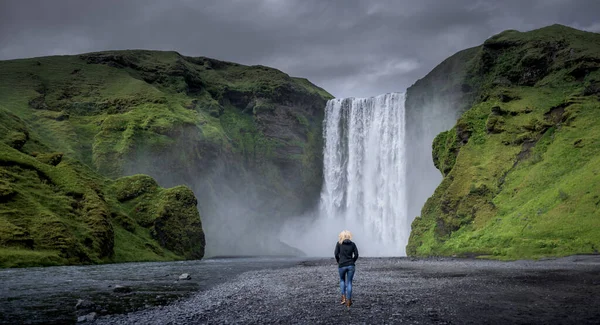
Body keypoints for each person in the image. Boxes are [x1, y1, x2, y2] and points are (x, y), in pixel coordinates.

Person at [334, 230, 359, 307]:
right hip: (351, 265)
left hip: (342, 265)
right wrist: (352, 261)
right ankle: (349, 301)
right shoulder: (353, 244)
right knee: (349, 283)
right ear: (349, 236)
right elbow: (356, 254)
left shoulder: (339, 244)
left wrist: (339, 261)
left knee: (342, 280)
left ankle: (343, 298)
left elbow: (336, 254)